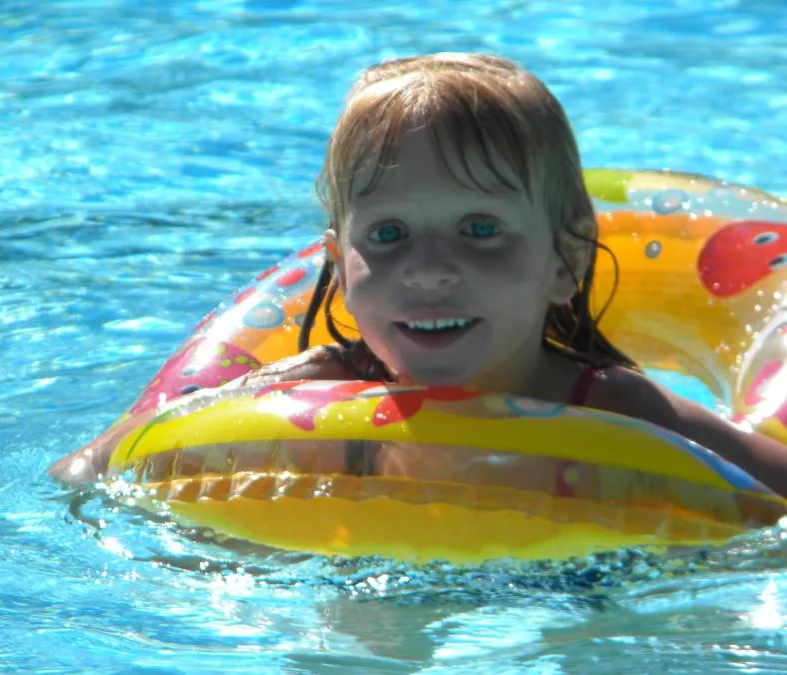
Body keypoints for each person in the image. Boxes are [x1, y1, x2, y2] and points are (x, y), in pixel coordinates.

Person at [51, 53, 787, 497]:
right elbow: (94, 466)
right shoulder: (313, 393)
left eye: (481, 230)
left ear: (565, 262)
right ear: (340, 268)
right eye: (390, 235)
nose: (429, 270)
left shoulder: (618, 406)